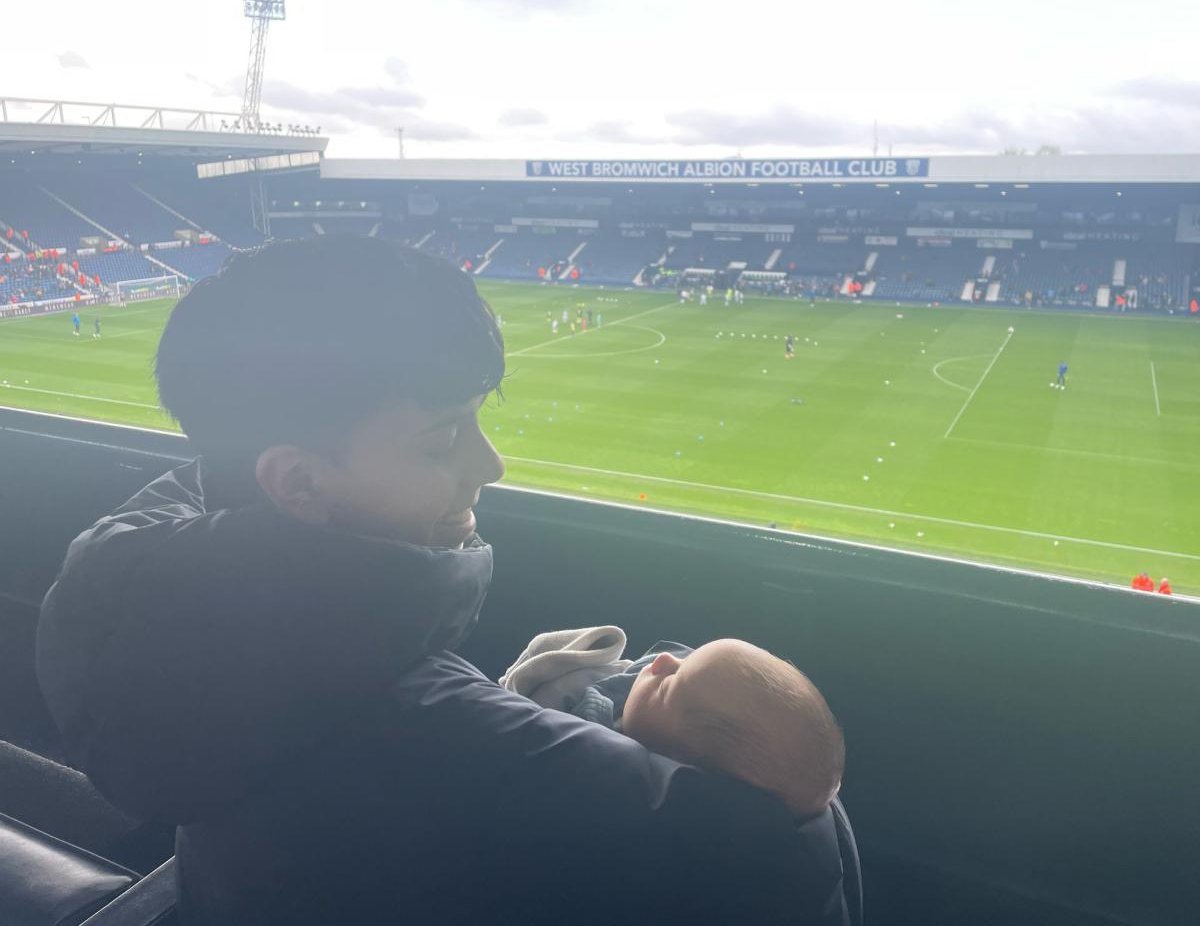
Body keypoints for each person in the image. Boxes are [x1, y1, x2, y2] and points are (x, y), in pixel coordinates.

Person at [36, 236, 858, 926]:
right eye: (441, 440)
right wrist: (617, 708)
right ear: (299, 482)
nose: (490, 464)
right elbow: (787, 862)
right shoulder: (447, 738)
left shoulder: (144, 594)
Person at [501, 628, 847, 822]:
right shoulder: (668, 699)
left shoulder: (587, 756)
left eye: (669, 685)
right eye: (687, 659)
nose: (664, 661)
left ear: (675, 767)